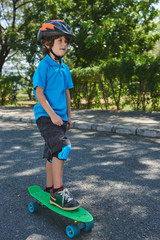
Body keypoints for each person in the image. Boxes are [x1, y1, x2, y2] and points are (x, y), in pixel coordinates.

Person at [32, 20, 80, 211]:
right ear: (47, 43)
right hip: (46, 116)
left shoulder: (64, 68)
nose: (64, 44)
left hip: (60, 117)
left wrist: (68, 116)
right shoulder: (43, 66)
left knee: (53, 154)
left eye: (66, 41)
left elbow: (67, 93)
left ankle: (50, 187)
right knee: (63, 147)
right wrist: (52, 115)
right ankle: (58, 192)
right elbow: (39, 93)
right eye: (59, 40)